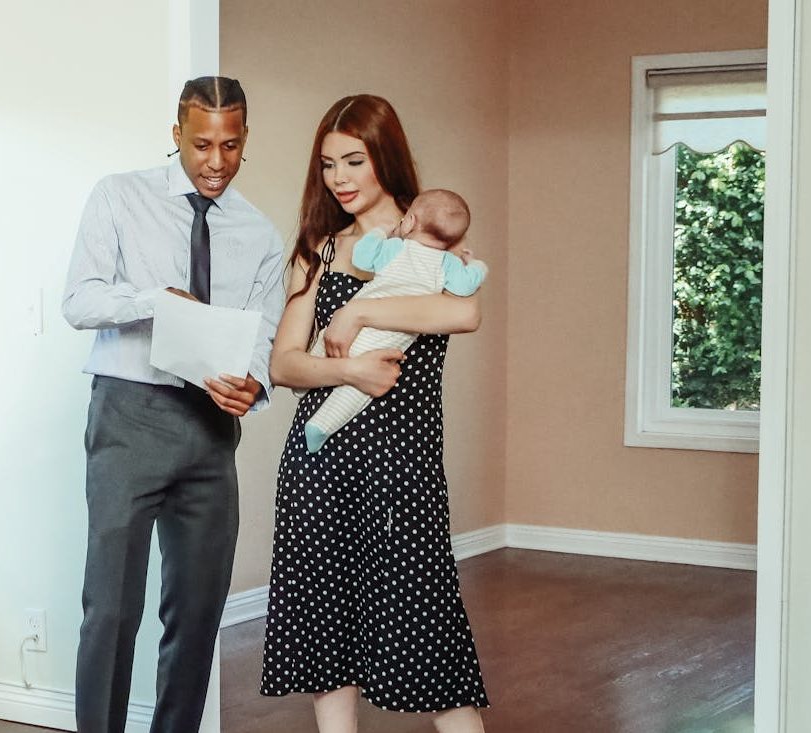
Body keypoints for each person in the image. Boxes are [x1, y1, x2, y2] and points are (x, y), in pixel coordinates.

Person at [260, 94, 490, 733]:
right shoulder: (320, 250)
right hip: (319, 466)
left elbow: (463, 313)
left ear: (383, 158)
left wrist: (358, 312)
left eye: (353, 160)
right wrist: (347, 369)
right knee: (326, 642)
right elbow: (283, 364)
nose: (339, 178)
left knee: (428, 638)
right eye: (328, 164)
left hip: (402, 470)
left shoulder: (437, 238)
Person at [62, 76, 284, 733]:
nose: (215, 161)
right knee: (111, 606)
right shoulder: (119, 196)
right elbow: (79, 301)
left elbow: (263, 336)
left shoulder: (260, 234)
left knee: (196, 610)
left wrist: (253, 385)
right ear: (175, 135)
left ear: (245, 141)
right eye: (200, 144)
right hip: (128, 418)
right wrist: (155, 300)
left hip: (211, 433)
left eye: (231, 145)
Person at [303, 188, 488, 452]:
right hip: (388, 339)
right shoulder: (446, 264)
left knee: (326, 338)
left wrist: (382, 232)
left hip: (353, 326)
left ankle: (307, 379)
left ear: (410, 221)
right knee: (358, 390)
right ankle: (321, 426)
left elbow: (362, 257)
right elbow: (464, 286)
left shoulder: (398, 249)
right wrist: (476, 266)